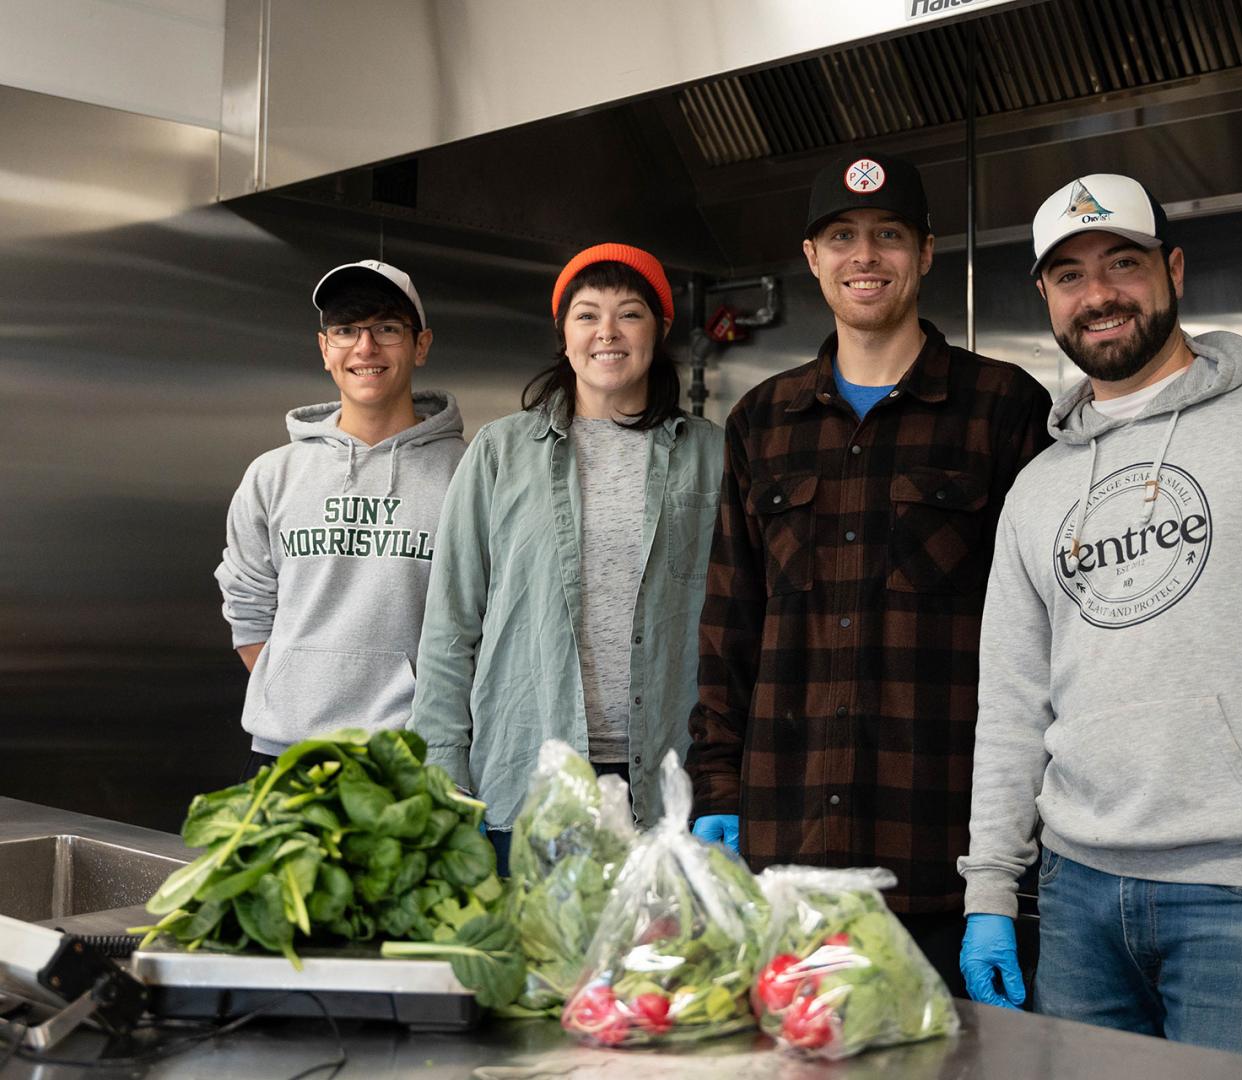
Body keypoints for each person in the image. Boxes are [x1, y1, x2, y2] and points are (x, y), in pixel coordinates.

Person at [957, 173, 1242, 1066]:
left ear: (1172, 269)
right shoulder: (1038, 488)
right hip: (1075, 895)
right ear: (1047, 299)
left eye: (1122, 263)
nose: (1098, 294)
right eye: (1068, 276)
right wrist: (990, 887)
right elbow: (1012, 705)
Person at [684, 152, 1053, 995]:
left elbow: (1044, 636)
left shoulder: (1003, 409)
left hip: (946, 859)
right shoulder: (759, 422)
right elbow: (729, 623)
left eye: (888, 235)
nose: (865, 256)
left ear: (926, 254)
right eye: (842, 236)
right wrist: (718, 783)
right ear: (811, 259)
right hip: (790, 859)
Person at [410, 244, 723, 874]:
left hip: (673, 787)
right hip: (525, 778)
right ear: (564, 334)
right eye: (587, 315)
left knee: (656, 973)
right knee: (536, 970)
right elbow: (450, 624)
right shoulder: (500, 452)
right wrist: (442, 768)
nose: (607, 333)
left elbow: (742, 626)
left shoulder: (710, 453)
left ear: (658, 332)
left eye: (629, 314)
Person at [216, 260, 466, 778]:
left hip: (416, 760)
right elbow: (248, 608)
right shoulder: (271, 475)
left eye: (387, 329)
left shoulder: (468, 473)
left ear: (421, 345)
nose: (365, 348)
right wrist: (296, 692)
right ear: (325, 348)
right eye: (346, 330)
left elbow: (490, 620)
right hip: (285, 758)